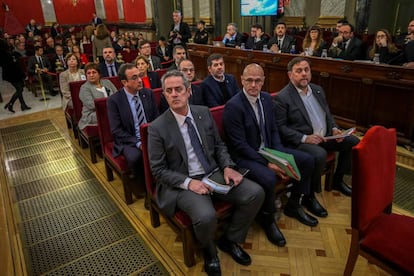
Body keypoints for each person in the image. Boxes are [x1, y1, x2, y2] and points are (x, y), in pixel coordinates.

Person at [148, 70, 265, 275]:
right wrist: (188, 183)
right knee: (206, 216)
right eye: (169, 91)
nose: (174, 94)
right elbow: (158, 170)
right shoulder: (157, 127)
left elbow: (219, 146)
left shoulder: (203, 112)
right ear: (164, 95)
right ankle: (210, 251)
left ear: (188, 91)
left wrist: (228, 166)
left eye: (178, 89)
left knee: (255, 193)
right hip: (184, 182)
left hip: (213, 173)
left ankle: (229, 240)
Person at [224, 63, 325, 246]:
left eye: (257, 81)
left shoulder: (266, 99)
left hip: (269, 150)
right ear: (242, 80)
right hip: (246, 156)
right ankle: (268, 218)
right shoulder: (234, 106)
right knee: (270, 177)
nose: (253, 85)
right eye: (249, 80)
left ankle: (294, 204)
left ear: (263, 81)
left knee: (308, 160)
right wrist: (268, 162)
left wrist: (279, 155)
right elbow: (240, 145)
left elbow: (273, 130)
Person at [274, 57, 360, 197]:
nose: (304, 74)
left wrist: (334, 128)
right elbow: (281, 128)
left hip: (326, 136)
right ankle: (310, 194)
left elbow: (327, 114)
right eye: (299, 71)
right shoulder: (283, 97)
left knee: (352, 142)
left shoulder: (317, 89)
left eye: (306, 70)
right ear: (290, 75)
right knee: (320, 154)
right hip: (302, 141)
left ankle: (337, 180)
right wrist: (305, 138)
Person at [107, 63, 159, 181]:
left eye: (139, 76)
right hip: (129, 140)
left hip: (151, 136)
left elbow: (156, 118)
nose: (140, 80)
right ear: (124, 82)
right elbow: (117, 130)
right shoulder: (114, 100)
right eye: (134, 78)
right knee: (135, 157)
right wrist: (138, 143)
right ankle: (145, 186)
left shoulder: (148, 93)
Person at [78, 63, 117, 130]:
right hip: (92, 114)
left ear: (99, 74)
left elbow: (117, 96)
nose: (91, 75)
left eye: (94, 72)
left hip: (111, 110)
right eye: (88, 73)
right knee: (110, 115)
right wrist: (112, 106)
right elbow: (92, 105)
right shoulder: (84, 88)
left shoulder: (107, 82)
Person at [0, 39, 31, 113]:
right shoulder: (6, 54)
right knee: (20, 89)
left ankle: (23, 105)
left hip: (9, 74)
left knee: (19, 89)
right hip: (14, 74)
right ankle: (10, 104)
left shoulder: (3, 54)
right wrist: (23, 75)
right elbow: (14, 66)